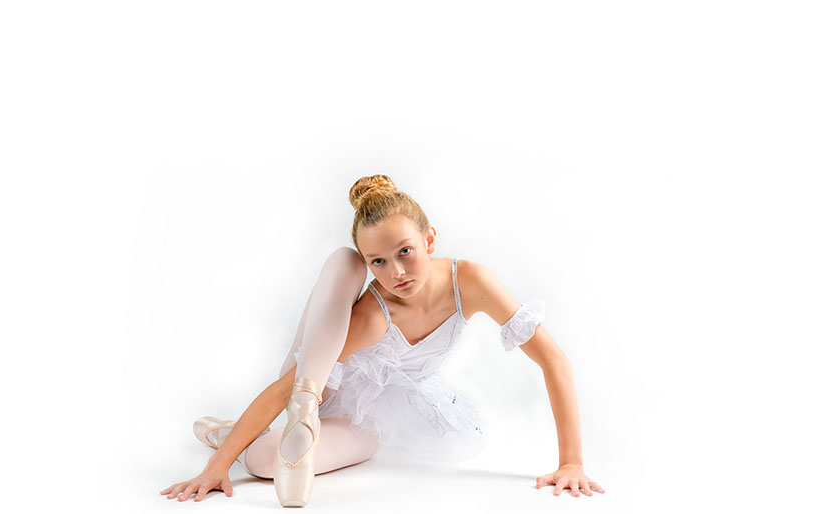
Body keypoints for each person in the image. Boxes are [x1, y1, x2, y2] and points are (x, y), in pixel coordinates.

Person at [160, 174, 605, 506]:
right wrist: (216, 469)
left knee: (262, 462)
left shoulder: (470, 281)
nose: (397, 273)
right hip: (317, 381)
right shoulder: (373, 316)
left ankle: (232, 434)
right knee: (341, 268)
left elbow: (554, 361)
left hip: (377, 407)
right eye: (378, 262)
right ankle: (255, 433)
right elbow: (286, 386)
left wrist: (571, 462)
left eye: (405, 252)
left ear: (429, 239)